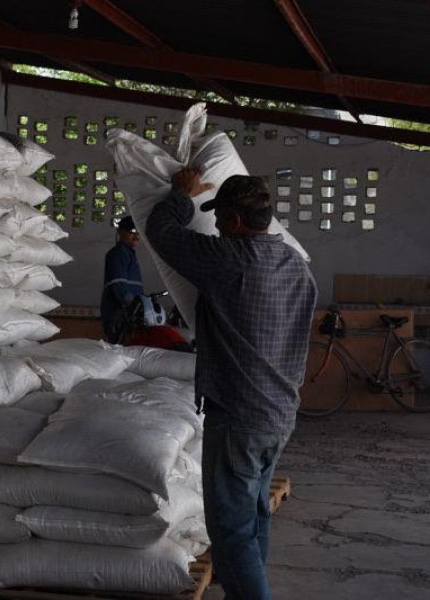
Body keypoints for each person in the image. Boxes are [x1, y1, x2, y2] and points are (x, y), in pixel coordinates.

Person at [145, 169, 317, 600]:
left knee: (230, 531)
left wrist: (181, 194)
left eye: (220, 217)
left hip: (238, 415)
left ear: (237, 221)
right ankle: (247, 583)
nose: (216, 225)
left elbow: (162, 233)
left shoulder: (229, 259)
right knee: (254, 514)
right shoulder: (296, 266)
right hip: (279, 412)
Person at [100, 215, 144, 344]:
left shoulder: (129, 254)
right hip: (119, 313)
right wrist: (133, 305)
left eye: (138, 233)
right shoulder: (117, 254)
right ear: (120, 232)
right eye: (132, 232)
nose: (136, 236)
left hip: (130, 313)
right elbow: (119, 286)